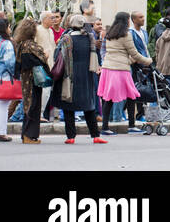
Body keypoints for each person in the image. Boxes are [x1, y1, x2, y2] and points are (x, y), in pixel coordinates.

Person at [98, 11, 151, 135]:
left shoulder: (110, 34)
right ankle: (131, 125)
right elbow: (134, 53)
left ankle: (105, 126)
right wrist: (148, 61)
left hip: (108, 68)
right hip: (120, 69)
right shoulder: (126, 35)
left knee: (108, 98)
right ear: (126, 21)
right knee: (131, 96)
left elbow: (115, 51)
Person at [56, 15, 104, 144]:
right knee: (89, 106)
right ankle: (95, 135)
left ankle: (71, 136)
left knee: (68, 106)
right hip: (87, 75)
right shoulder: (90, 38)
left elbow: (59, 56)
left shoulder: (67, 38)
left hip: (70, 76)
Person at [13, 17, 48, 143]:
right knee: (33, 106)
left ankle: (26, 134)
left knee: (28, 105)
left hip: (26, 80)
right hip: (33, 80)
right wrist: (45, 56)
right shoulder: (30, 45)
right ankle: (29, 135)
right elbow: (34, 62)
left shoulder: (21, 44)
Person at [0, 18, 16, 142]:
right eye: (9, 27)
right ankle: (1, 132)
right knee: (2, 106)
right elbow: (10, 63)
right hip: (3, 78)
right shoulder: (6, 43)